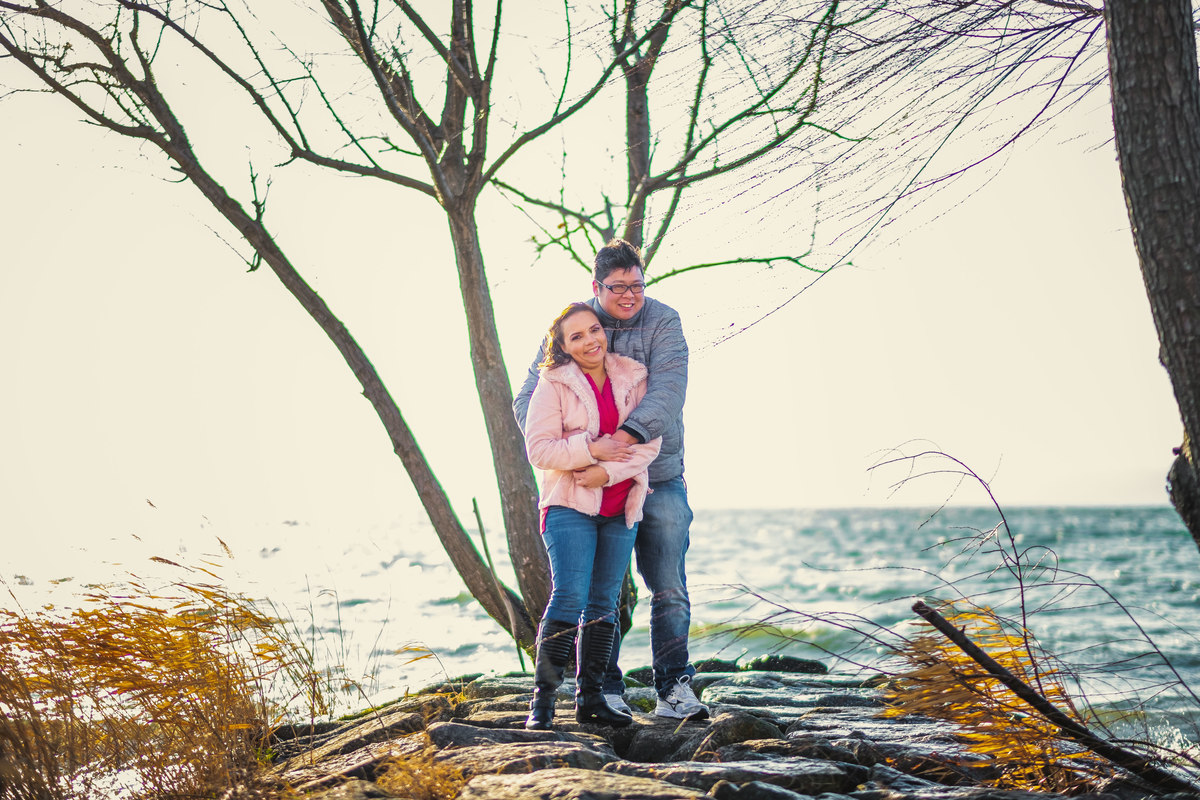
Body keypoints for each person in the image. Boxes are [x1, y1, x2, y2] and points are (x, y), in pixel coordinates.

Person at [514, 239, 709, 721]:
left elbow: (668, 394)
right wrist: (575, 452)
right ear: (596, 287)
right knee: (592, 593)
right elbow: (528, 401)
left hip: (655, 479)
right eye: (618, 287)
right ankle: (602, 691)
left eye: (637, 285)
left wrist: (611, 450)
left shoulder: (662, 321)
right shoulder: (571, 324)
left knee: (668, 587)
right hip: (579, 489)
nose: (629, 295)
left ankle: (674, 689)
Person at [522, 302, 662, 730]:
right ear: (563, 348)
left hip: (621, 507)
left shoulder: (633, 376)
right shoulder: (553, 383)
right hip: (569, 506)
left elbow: (648, 443)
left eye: (594, 330)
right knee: (568, 596)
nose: (590, 341)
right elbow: (539, 449)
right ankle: (541, 706)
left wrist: (605, 469)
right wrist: (589, 447)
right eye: (576, 337)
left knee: (605, 604)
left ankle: (592, 699)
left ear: (605, 331)